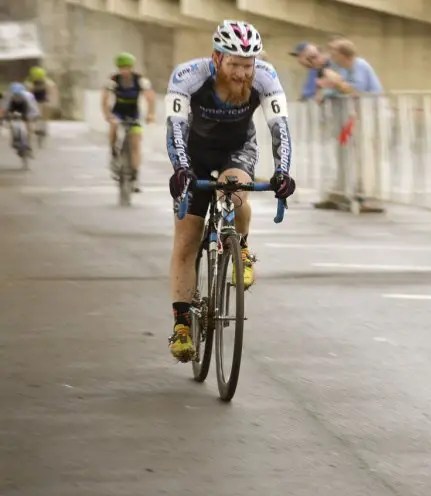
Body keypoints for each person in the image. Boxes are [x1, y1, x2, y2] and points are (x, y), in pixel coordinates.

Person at [164, 20, 296, 362]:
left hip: (237, 148)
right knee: (187, 237)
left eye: (248, 64)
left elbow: (279, 126)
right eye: (235, 64)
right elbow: (175, 127)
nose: (242, 72)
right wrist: (180, 169)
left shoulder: (265, 77)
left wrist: (282, 172)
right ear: (217, 58)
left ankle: (242, 248)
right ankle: (181, 325)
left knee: (236, 193)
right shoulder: (189, 76)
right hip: (194, 151)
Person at [101, 52, 156, 192]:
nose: (124, 70)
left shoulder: (140, 80)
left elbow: (150, 97)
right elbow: (105, 100)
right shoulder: (113, 80)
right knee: (113, 126)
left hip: (134, 115)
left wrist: (150, 114)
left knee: (136, 143)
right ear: (118, 68)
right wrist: (108, 115)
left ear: (132, 67)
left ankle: (135, 177)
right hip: (117, 113)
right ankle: (113, 151)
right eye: (122, 67)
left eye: (127, 67)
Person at [0, 82, 40, 153]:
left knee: (29, 127)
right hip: (13, 107)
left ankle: (28, 143)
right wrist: (4, 117)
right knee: (12, 123)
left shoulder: (28, 96)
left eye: (18, 94)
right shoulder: (9, 96)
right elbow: (5, 108)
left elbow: (33, 108)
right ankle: (15, 139)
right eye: (15, 94)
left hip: (26, 108)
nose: (17, 95)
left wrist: (33, 116)